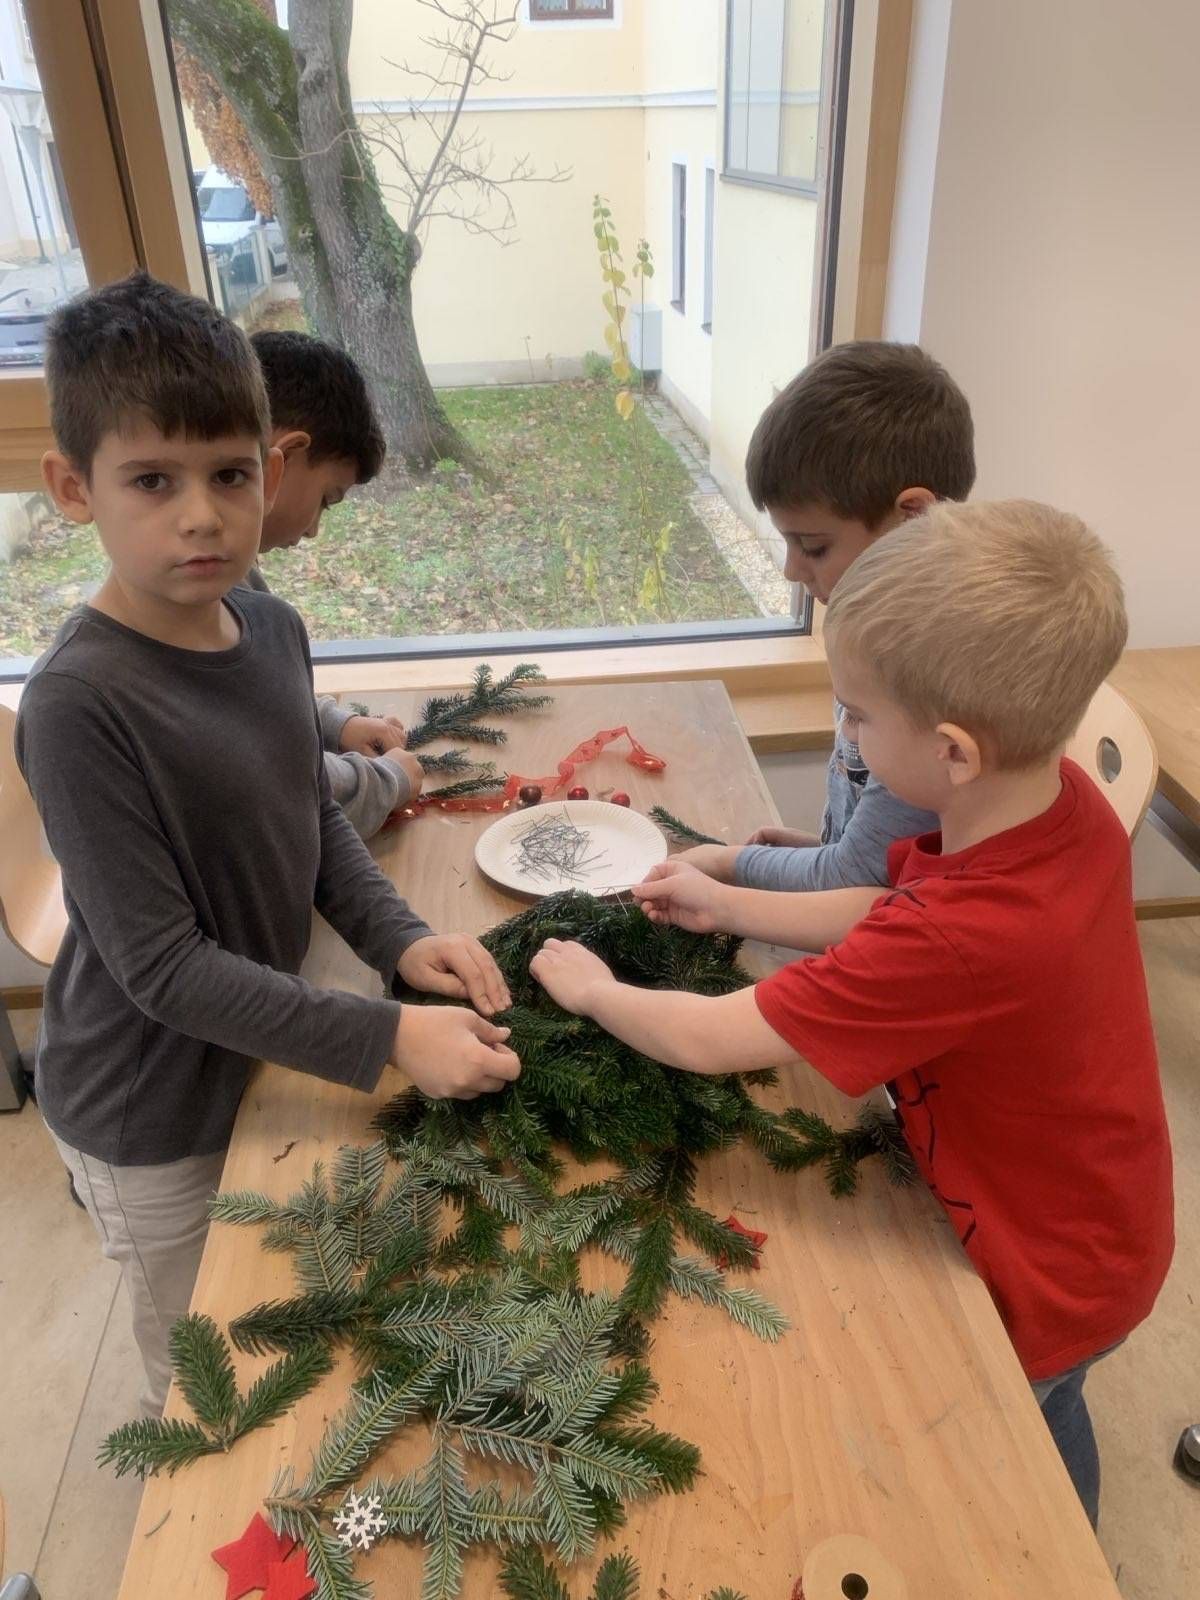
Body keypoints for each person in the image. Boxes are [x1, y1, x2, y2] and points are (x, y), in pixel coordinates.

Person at [531, 500, 1174, 1527]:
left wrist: (595, 990)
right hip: (1100, 1216)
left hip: (1044, 1266)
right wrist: (731, 902)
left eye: (861, 719)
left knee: (1025, 1461)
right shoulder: (1055, 806)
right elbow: (894, 907)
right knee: (1053, 1410)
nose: (851, 739)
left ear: (953, 751)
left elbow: (712, 1036)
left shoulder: (966, 939)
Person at [17, 272, 520, 1414]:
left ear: (270, 471)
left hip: (251, 1053)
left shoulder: (273, 627)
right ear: (73, 488)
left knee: (280, 1319)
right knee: (204, 1374)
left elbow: (312, 814)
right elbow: (162, 969)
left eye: (230, 475)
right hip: (149, 1112)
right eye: (153, 480)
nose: (201, 515)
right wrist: (391, 1035)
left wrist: (401, 942)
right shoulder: (79, 706)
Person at [676, 341, 976, 892]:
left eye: (813, 547)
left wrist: (726, 867)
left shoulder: (929, 676)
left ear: (913, 516)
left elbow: (861, 880)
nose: (792, 570)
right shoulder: (878, 634)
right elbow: (872, 856)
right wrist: (820, 850)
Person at [245, 328, 422, 838]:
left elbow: (267, 707)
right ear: (282, 459)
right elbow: (283, 788)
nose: (314, 529)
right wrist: (387, 781)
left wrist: (335, 725)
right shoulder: (210, 599)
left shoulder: (240, 584)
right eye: (326, 498)